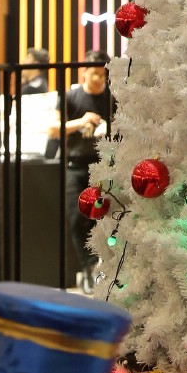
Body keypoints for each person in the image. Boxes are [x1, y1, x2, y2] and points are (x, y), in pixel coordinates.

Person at [51, 52, 115, 293]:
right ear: (84, 72)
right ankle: (87, 267)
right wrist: (81, 122)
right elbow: (53, 129)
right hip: (75, 166)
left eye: (103, 74)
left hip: (105, 166)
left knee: (106, 219)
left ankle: (104, 268)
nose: (99, 78)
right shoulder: (71, 97)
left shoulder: (112, 98)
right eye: (95, 73)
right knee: (77, 218)